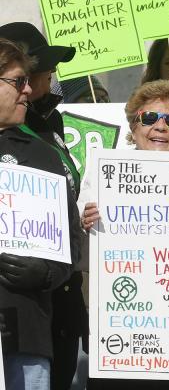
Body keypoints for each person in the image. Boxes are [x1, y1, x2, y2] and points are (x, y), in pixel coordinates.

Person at [81, 81, 169, 390]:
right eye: (149, 118)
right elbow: (80, 254)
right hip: (122, 336)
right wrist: (84, 223)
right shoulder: (102, 175)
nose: (160, 127)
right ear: (133, 126)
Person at [0, 21, 90, 390]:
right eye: (21, 79)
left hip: (35, 329)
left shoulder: (41, 147)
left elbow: (68, 234)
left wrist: (47, 272)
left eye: (29, 79)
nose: (32, 87)